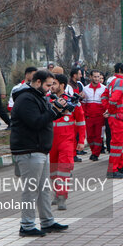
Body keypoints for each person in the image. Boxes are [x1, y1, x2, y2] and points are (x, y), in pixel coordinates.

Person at [10, 69, 69, 237]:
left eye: (52, 85)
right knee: (31, 189)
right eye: (48, 85)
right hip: (29, 149)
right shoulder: (26, 99)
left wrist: (57, 111)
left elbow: (44, 118)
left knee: (43, 188)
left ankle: (47, 221)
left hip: (39, 149)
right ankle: (27, 225)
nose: (51, 89)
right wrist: (53, 111)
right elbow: (36, 122)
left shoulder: (38, 97)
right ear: (37, 83)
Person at [49, 74, 86, 210]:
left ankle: (62, 197)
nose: (51, 86)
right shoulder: (48, 100)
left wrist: (81, 141)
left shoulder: (72, 102)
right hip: (50, 140)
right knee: (52, 170)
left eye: (54, 83)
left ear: (62, 85)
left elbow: (81, 122)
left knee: (64, 168)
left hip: (67, 140)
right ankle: (56, 193)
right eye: (51, 84)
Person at [105, 62, 123, 179]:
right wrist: (112, 111)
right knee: (117, 144)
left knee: (118, 143)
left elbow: (104, 96)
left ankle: (120, 166)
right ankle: (112, 170)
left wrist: (107, 109)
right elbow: (114, 99)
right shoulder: (121, 82)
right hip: (117, 117)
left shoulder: (112, 81)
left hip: (115, 116)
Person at [82, 70, 107, 161]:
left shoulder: (104, 88)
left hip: (100, 117)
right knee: (89, 137)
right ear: (91, 77)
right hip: (89, 117)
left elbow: (106, 103)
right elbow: (83, 103)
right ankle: (93, 150)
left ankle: (96, 154)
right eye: (95, 77)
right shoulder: (86, 88)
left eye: (98, 77)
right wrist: (84, 115)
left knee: (99, 136)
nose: (97, 79)